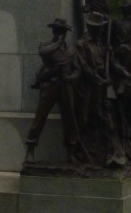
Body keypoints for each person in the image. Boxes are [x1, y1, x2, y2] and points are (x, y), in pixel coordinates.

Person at [25, 18, 79, 163]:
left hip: (65, 86)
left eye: (63, 31)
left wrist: (72, 77)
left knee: (69, 119)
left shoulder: (70, 49)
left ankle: (71, 151)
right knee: (40, 118)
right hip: (50, 85)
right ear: (53, 31)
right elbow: (44, 53)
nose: (60, 33)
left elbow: (77, 69)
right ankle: (30, 149)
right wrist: (58, 43)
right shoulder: (47, 45)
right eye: (58, 30)